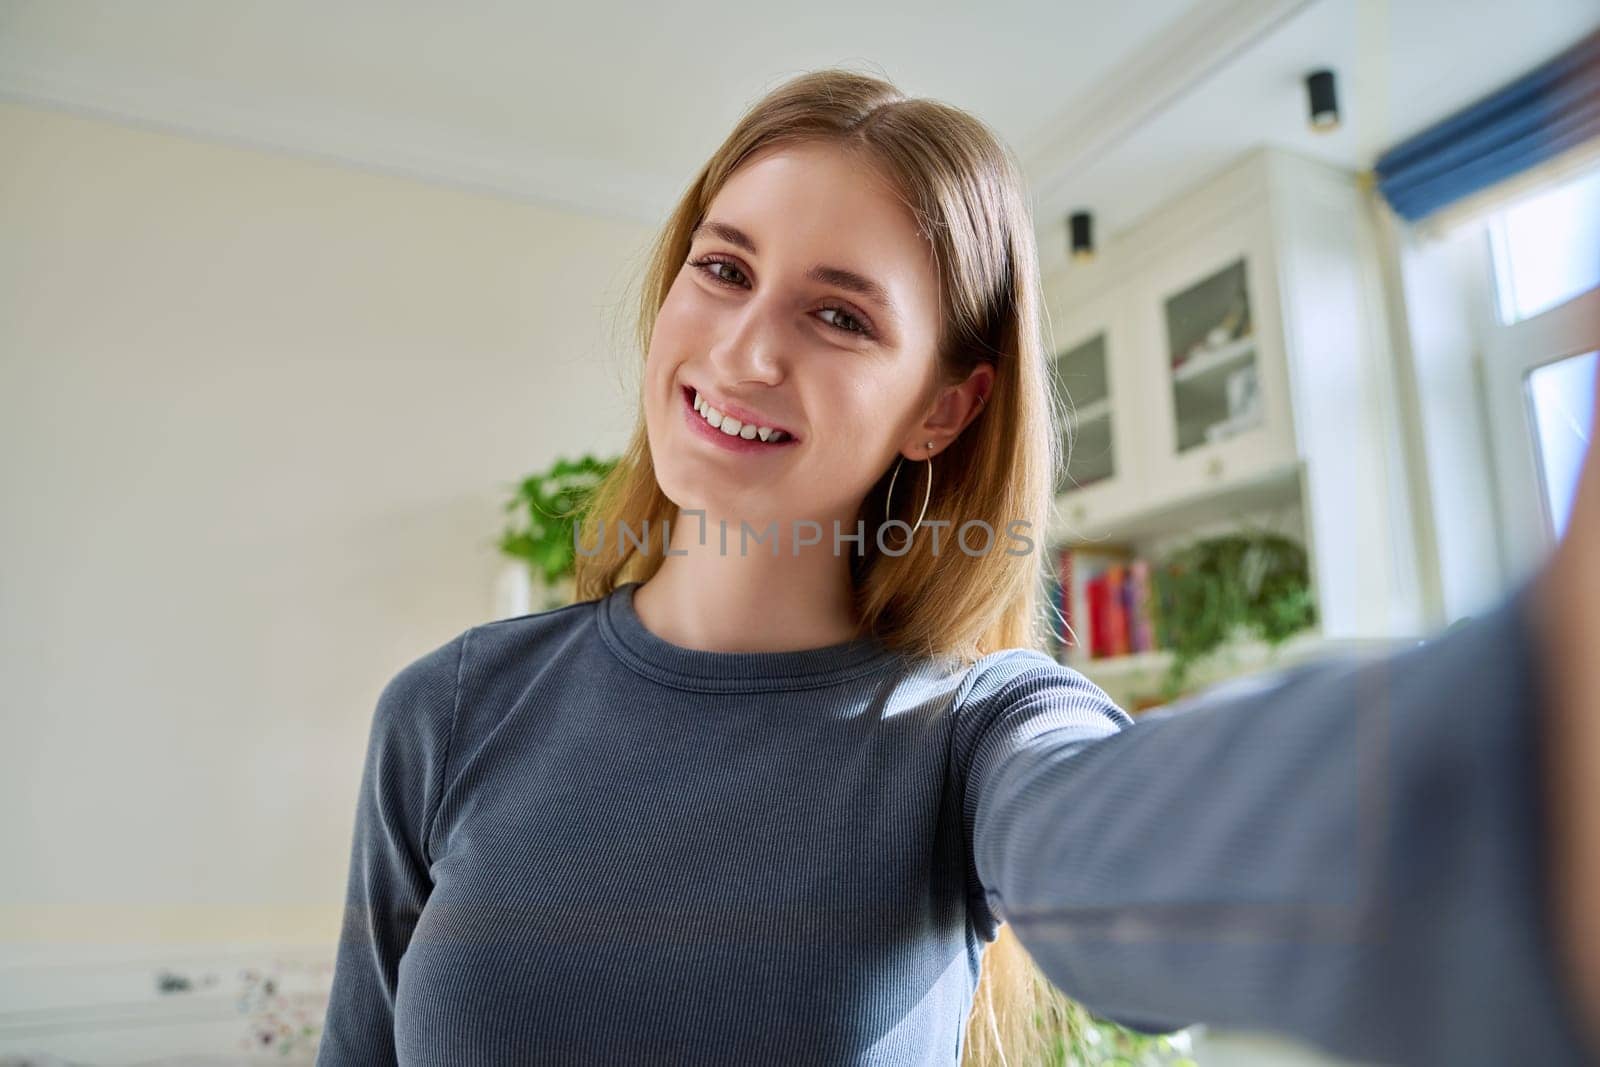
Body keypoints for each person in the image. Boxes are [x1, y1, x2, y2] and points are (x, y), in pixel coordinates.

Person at [314, 68, 1600, 1066]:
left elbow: (1127, 837)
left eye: (838, 313)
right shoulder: (452, 707)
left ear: (944, 408)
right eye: (722, 268)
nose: (747, 349)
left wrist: (1525, 750)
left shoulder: (971, 729)